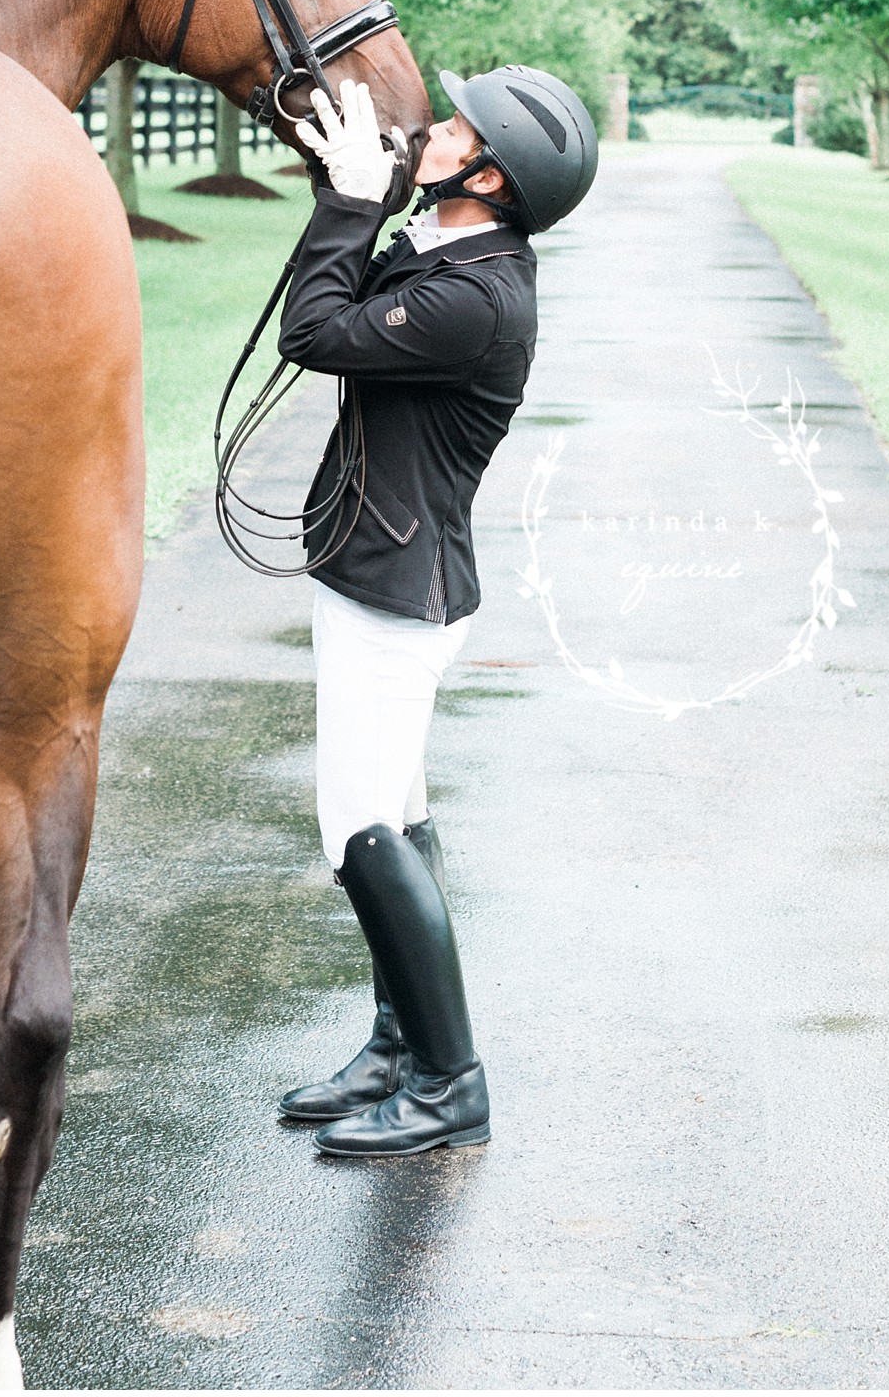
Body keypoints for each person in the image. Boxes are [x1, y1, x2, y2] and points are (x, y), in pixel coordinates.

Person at [273, 64, 598, 1158]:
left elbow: (316, 331)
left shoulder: (475, 298)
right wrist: (362, 191)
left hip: (392, 591)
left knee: (357, 827)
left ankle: (451, 1083)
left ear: (493, 175)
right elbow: (360, 300)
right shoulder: (457, 254)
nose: (435, 129)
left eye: (458, 128)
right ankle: (396, 1048)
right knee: (399, 816)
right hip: (387, 569)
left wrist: (349, 203)